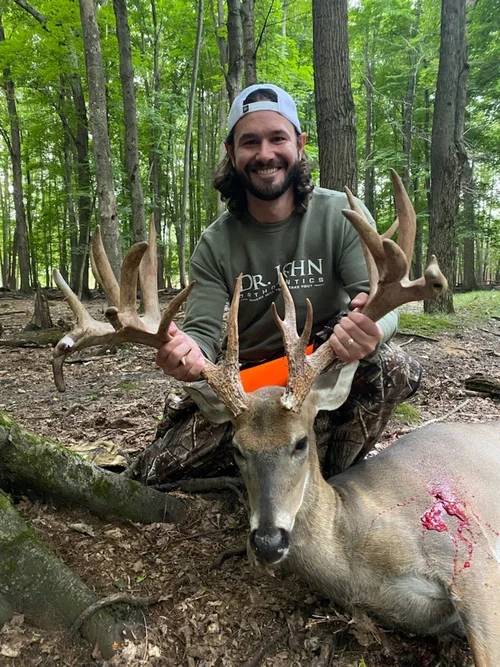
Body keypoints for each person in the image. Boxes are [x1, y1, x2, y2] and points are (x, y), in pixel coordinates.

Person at [143, 83, 422, 484]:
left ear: (300, 145)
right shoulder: (215, 244)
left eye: (278, 138)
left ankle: (335, 482)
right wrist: (186, 354)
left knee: (391, 365)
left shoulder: (341, 216)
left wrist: (370, 329)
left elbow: (380, 302)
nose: (265, 154)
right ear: (231, 152)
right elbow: (201, 334)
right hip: (251, 388)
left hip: (323, 364)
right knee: (157, 473)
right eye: (250, 142)